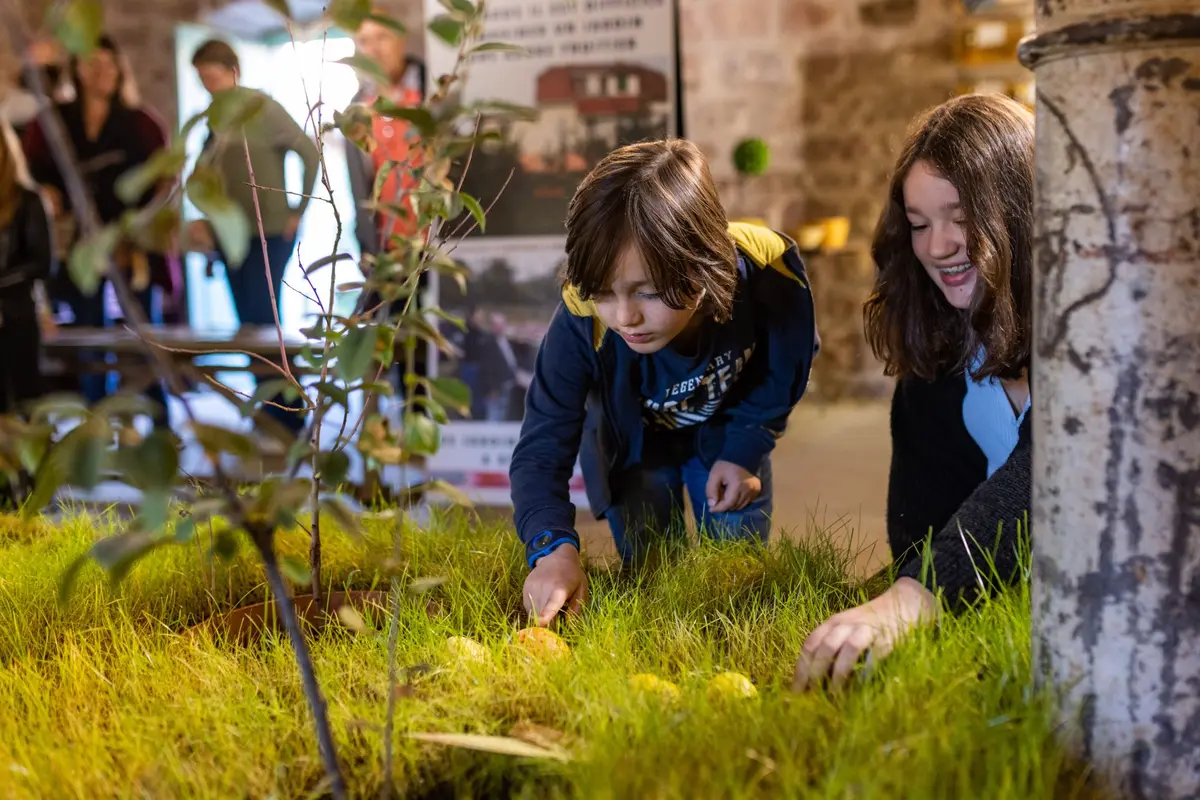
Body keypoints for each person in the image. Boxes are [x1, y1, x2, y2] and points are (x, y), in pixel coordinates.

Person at [511, 139, 820, 627]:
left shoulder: (769, 269)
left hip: (728, 434)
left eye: (649, 291)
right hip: (633, 453)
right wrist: (550, 547)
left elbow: (787, 365)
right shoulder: (580, 315)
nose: (625, 316)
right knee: (651, 579)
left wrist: (747, 444)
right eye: (603, 293)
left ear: (704, 262)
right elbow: (542, 444)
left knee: (737, 589)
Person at [793, 93, 1035, 691]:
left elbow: (1054, 468)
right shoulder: (938, 354)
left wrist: (916, 596)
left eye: (961, 217)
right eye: (920, 224)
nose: (938, 246)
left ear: (1021, 213)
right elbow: (921, 533)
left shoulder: (1098, 323)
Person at [21, 34, 173, 425]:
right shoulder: (55, 120)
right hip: (80, 246)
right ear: (78, 70)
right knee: (90, 338)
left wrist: (139, 228)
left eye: (109, 64)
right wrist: (48, 194)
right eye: (93, 64)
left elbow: (166, 179)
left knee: (142, 337)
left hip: (131, 245)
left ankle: (157, 425)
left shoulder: (141, 122)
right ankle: (97, 425)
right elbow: (29, 171)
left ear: (120, 69)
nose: (101, 72)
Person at [186, 38, 319, 437]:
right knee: (248, 325)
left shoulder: (262, 108)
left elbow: (309, 153)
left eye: (213, 76)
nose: (209, 85)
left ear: (233, 71)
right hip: (232, 237)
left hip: (271, 232)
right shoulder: (214, 117)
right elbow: (205, 174)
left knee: (264, 323)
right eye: (202, 79)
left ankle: (291, 416)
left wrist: (299, 209)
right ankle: (270, 414)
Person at [0, 121, 55, 506]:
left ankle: (35, 488)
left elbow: (41, 264)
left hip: (16, 314)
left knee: (24, 403)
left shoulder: (28, 200)